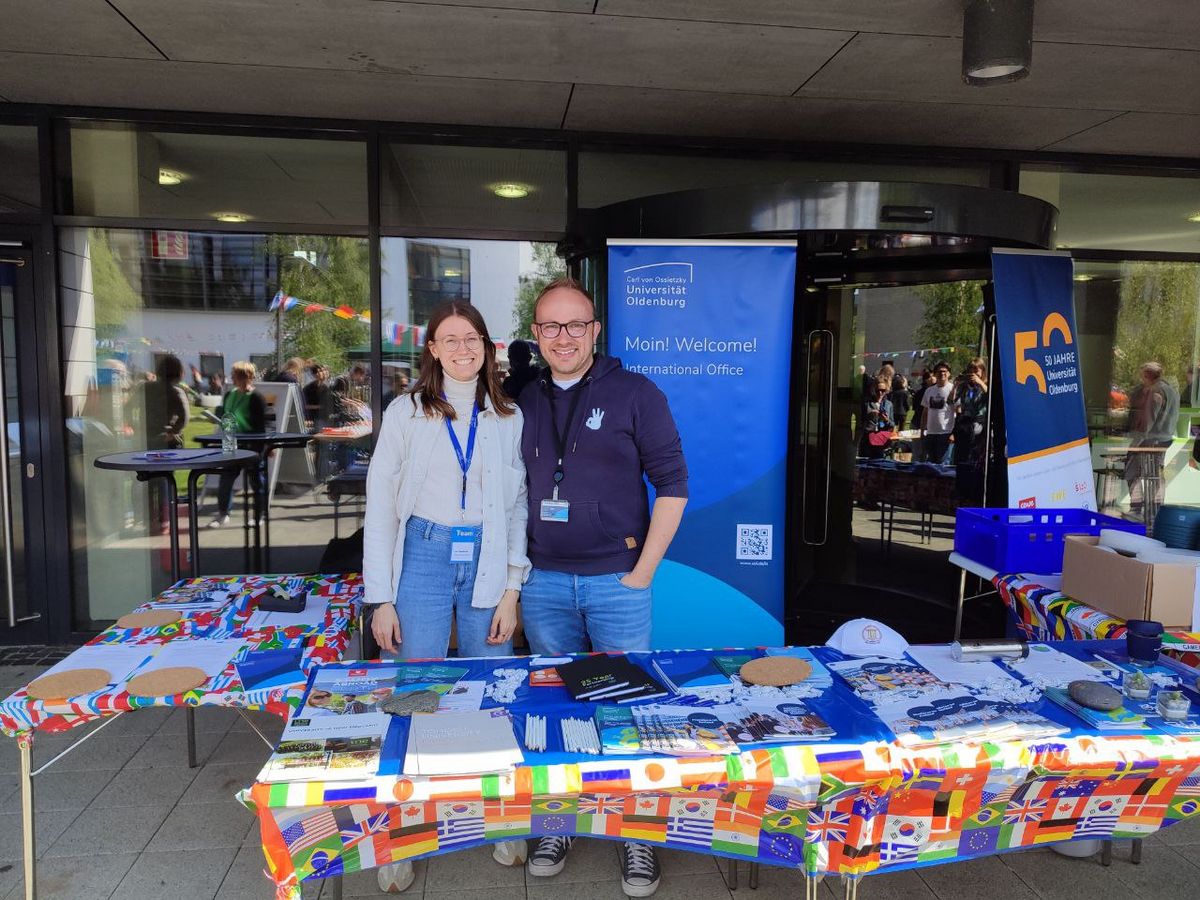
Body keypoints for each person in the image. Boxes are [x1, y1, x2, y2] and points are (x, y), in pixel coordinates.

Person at [517, 277, 688, 898]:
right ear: (535, 335)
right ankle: (559, 822)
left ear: (595, 330)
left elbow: (672, 485)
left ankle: (637, 834)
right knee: (557, 710)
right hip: (542, 584)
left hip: (618, 582)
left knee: (627, 711)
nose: (562, 338)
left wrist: (643, 571)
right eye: (549, 327)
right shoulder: (520, 397)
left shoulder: (637, 393)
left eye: (574, 326)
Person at [362, 301, 530, 893]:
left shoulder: (507, 414)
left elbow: (516, 505)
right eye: (450, 340)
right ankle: (399, 831)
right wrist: (380, 598)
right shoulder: (407, 412)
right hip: (424, 558)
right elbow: (380, 504)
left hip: (486, 557)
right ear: (431, 348)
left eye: (473, 339)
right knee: (415, 687)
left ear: (487, 346)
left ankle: (500, 820)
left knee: (492, 686)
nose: (463, 349)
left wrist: (513, 587)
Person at [210, 361, 266, 528]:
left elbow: (259, 426)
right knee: (226, 480)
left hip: (250, 444)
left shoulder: (256, 397)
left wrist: (260, 449)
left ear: (245, 377)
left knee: (256, 481)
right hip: (230, 442)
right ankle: (223, 514)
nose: (232, 378)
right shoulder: (230, 395)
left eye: (235, 375)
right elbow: (225, 415)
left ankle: (258, 515)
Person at [1125, 361, 1179, 517]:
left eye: (1143, 374)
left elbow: (1148, 421)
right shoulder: (1172, 390)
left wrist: (1134, 444)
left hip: (1150, 440)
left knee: (1131, 472)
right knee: (1156, 475)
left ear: (1147, 375)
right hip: (1165, 439)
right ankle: (1155, 510)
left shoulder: (1155, 392)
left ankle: (1136, 508)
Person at [951, 358, 989, 504]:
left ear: (982, 371)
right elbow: (952, 402)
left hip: (980, 425)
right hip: (965, 426)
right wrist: (957, 385)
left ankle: (974, 494)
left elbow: (990, 396)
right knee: (963, 460)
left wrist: (980, 383)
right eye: (971, 370)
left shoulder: (985, 385)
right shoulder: (965, 388)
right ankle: (962, 493)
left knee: (975, 462)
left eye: (976, 370)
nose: (973, 373)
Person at [919, 361, 955, 465]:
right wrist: (922, 431)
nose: (942, 373)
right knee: (931, 465)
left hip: (945, 433)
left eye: (944, 371)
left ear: (949, 373)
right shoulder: (929, 390)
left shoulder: (953, 389)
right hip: (931, 433)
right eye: (939, 371)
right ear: (935, 374)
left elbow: (958, 412)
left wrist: (953, 433)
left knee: (943, 465)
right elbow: (925, 412)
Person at [859, 378, 894, 459]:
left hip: (882, 439)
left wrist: (886, 420)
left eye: (883, 390)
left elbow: (892, 424)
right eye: (878, 390)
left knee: (879, 464)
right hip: (868, 438)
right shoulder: (867, 403)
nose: (880, 393)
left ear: (886, 391)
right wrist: (870, 415)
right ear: (873, 390)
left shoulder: (889, 404)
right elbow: (860, 421)